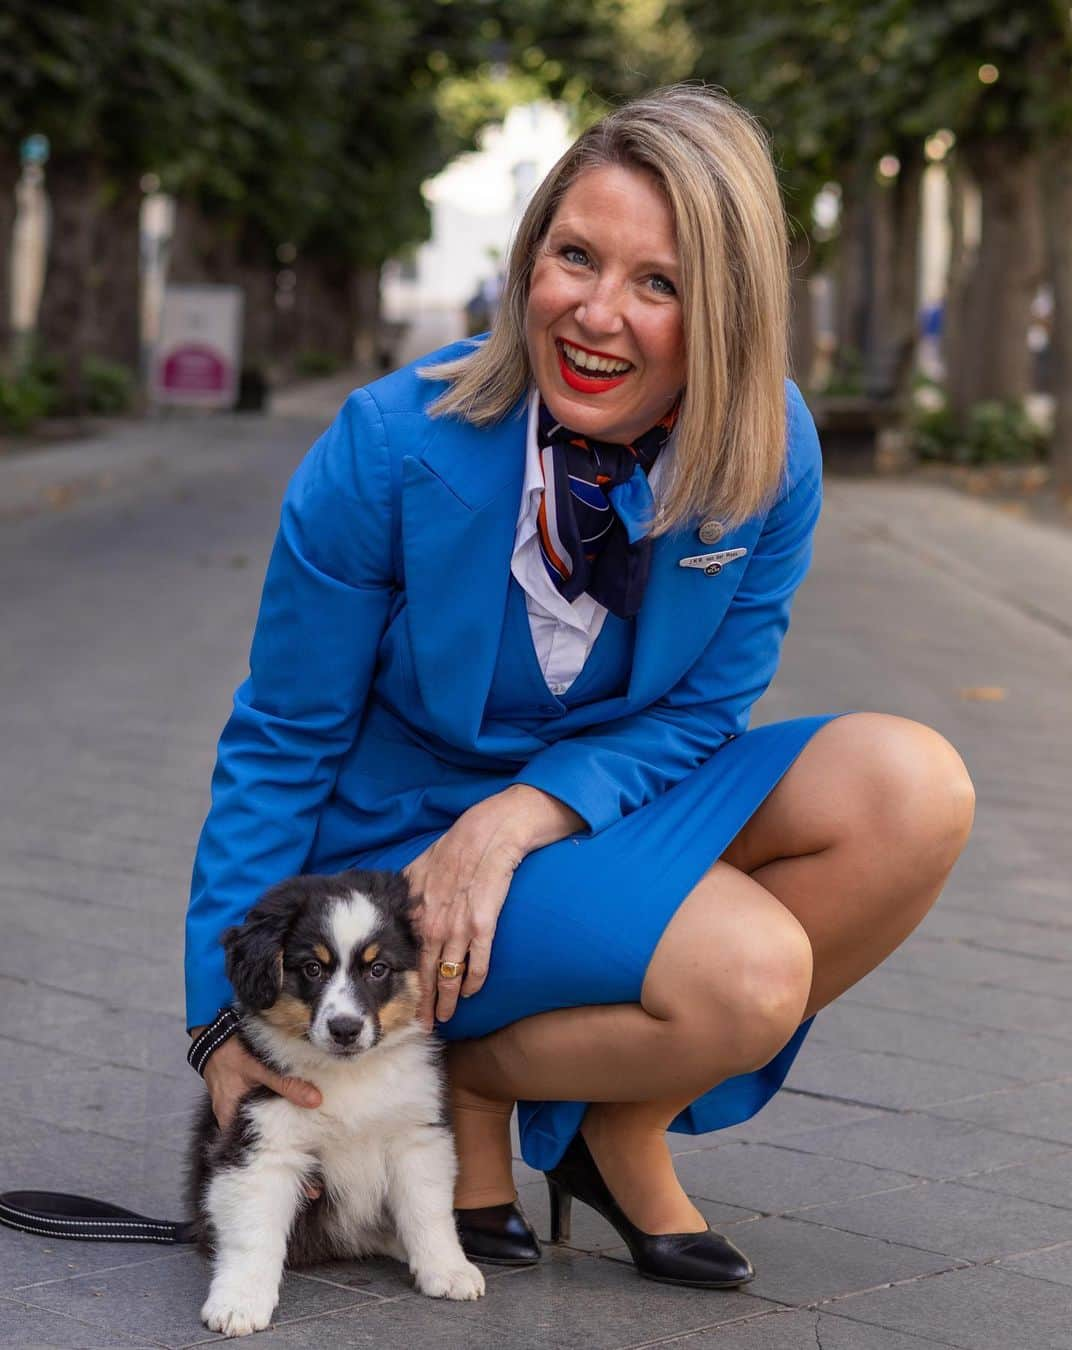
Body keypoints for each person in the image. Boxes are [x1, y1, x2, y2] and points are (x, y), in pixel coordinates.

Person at [184, 85, 975, 1288]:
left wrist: (524, 815)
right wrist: (215, 1023)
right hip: (407, 845)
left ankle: (584, 1114)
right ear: (528, 260)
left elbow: (708, 707)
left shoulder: (772, 445)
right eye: (574, 258)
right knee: (749, 973)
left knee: (913, 786)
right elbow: (284, 734)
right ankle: (491, 1096)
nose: (596, 314)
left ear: (727, 313)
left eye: (658, 284)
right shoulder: (388, 443)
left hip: (599, 805)